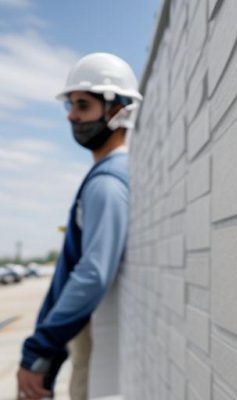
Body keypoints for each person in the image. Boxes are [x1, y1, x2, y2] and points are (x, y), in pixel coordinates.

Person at [16, 53, 142, 400]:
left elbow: (92, 272)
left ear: (118, 110)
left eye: (82, 105)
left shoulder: (108, 183)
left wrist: (41, 349)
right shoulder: (109, 175)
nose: (71, 115)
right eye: (70, 105)